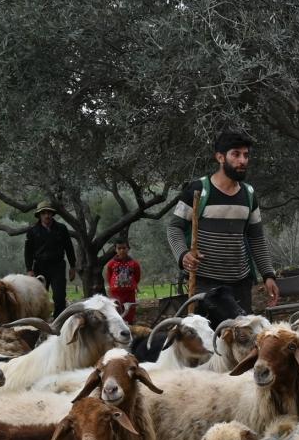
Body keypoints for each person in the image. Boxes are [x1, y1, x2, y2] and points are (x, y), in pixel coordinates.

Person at [166, 130, 280, 312]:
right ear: (220, 157)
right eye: (235, 154)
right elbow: (174, 228)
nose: (242, 160)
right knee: (207, 337)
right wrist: (183, 255)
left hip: (241, 285)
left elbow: (257, 239)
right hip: (205, 284)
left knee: (241, 337)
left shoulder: (249, 194)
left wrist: (268, 275)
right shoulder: (197, 190)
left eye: (246, 155)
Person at [24, 203, 76, 315]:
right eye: (43, 213)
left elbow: (69, 248)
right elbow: (28, 252)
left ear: (52, 214)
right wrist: (29, 269)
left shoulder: (62, 229)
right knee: (39, 297)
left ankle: (59, 322)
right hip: (40, 267)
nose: (47, 215)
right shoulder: (32, 231)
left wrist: (72, 266)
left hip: (58, 266)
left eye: (49, 212)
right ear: (39, 215)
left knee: (59, 296)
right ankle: (41, 322)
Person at [103, 236, 142, 324]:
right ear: (115, 249)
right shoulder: (111, 264)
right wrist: (112, 286)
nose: (122, 250)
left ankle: (130, 328)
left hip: (129, 293)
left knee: (130, 312)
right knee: (116, 311)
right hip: (116, 293)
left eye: (124, 248)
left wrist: (132, 285)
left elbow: (137, 277)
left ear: (128, 248)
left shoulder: (134, 264)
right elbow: (109, 277)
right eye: (119, 248)